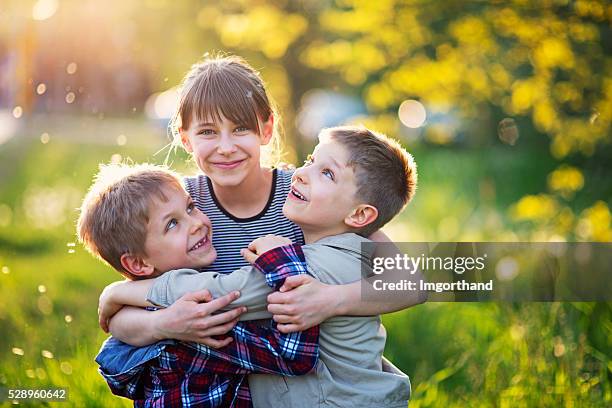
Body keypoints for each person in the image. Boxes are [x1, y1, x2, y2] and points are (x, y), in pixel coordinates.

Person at [105, 54, 427, 401]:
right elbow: (122, 323)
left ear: (266, 129)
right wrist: (157, 323)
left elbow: (410, 282)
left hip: (309, 387)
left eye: (240, 128)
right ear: (186, 139)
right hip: (223, 386)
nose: (226, 147)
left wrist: (331, 300)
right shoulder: (182, 206)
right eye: (208, 132)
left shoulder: (304, 199)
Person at [78, 163, 319, 407]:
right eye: (172, 223)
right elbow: (293, 357)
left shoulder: (142, 307)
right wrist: (282, 259)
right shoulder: (195, 316)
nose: (196, 223)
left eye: (191, 207)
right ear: (138, 264)